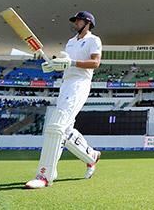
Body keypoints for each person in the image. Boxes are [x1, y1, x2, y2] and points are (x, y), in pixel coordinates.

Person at [25, 11, 103, 189]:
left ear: (88, 23)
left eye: (78, 20)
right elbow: (65, 64)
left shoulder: (93, 40)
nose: (75, 23)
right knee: (65, 130)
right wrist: (54, 65)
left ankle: (44, 176)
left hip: (79, 84)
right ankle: (91, 156)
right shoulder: (70, 42)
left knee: (56, 126)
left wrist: (72, 63)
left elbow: (95, 63)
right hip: (66, 83)